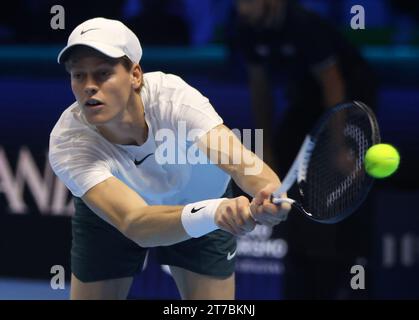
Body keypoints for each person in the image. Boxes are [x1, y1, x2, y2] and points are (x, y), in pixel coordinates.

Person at [48, 17, 291, 300]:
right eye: (78, 75)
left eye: (102, 74)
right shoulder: (70, 140)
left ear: (135, 75)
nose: (89, 86)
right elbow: (135, 222)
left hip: (202, 200)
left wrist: (270, 193)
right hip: (118, 215)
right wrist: (216, 212)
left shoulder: (175, 100)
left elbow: (240, 163)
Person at [232, 0, 377, 299]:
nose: (241, 7)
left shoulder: (304, 24)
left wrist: (338, 147)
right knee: (286, 156)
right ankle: (300, 264)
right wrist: (266, 150)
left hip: (351, 101)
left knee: (343, 194)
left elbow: (333, 84)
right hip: (305, 101)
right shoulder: (245, 28)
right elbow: (260, 91)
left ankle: (349, 280)